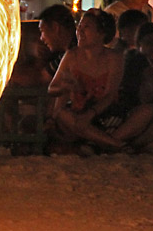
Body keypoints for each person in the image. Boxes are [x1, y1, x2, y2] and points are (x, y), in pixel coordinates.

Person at [48, 9, 129, 151]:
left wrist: (90, 113)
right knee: (62, 114)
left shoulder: (114, 58)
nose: (80, 31)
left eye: (86, 27)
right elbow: (52, 88)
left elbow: (110, 95)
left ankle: (96, 142)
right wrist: (67, 87)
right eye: (79, 26)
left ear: (101, 33)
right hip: (77, 114)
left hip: (104, 113)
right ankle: (114, 144)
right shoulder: (71, 56)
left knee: (145, 113)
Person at [37, 4, 76, 77]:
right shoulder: (67, 51)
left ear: (55, 28)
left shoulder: (73, 55)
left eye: (42, 31)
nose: (41, 38)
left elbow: (41, 78)